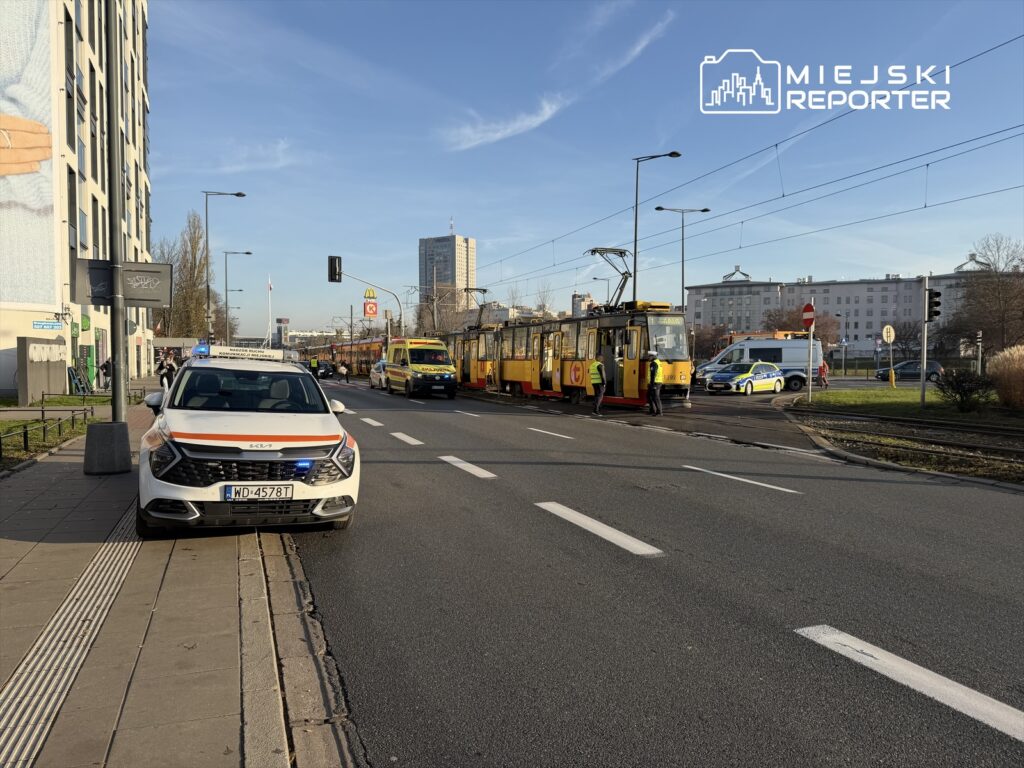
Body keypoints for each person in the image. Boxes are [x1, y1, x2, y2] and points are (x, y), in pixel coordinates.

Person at [647, 351, 664, 416]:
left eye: (649, 356)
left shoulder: (654, 363)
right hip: (657, 382)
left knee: (655, 397)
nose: (648, 358)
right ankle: (653, 410)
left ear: (652, 357)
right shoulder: (658, 362)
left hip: (655, 383)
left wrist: (652, 384)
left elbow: (653, 374)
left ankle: (659, 411)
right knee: (649, 396)